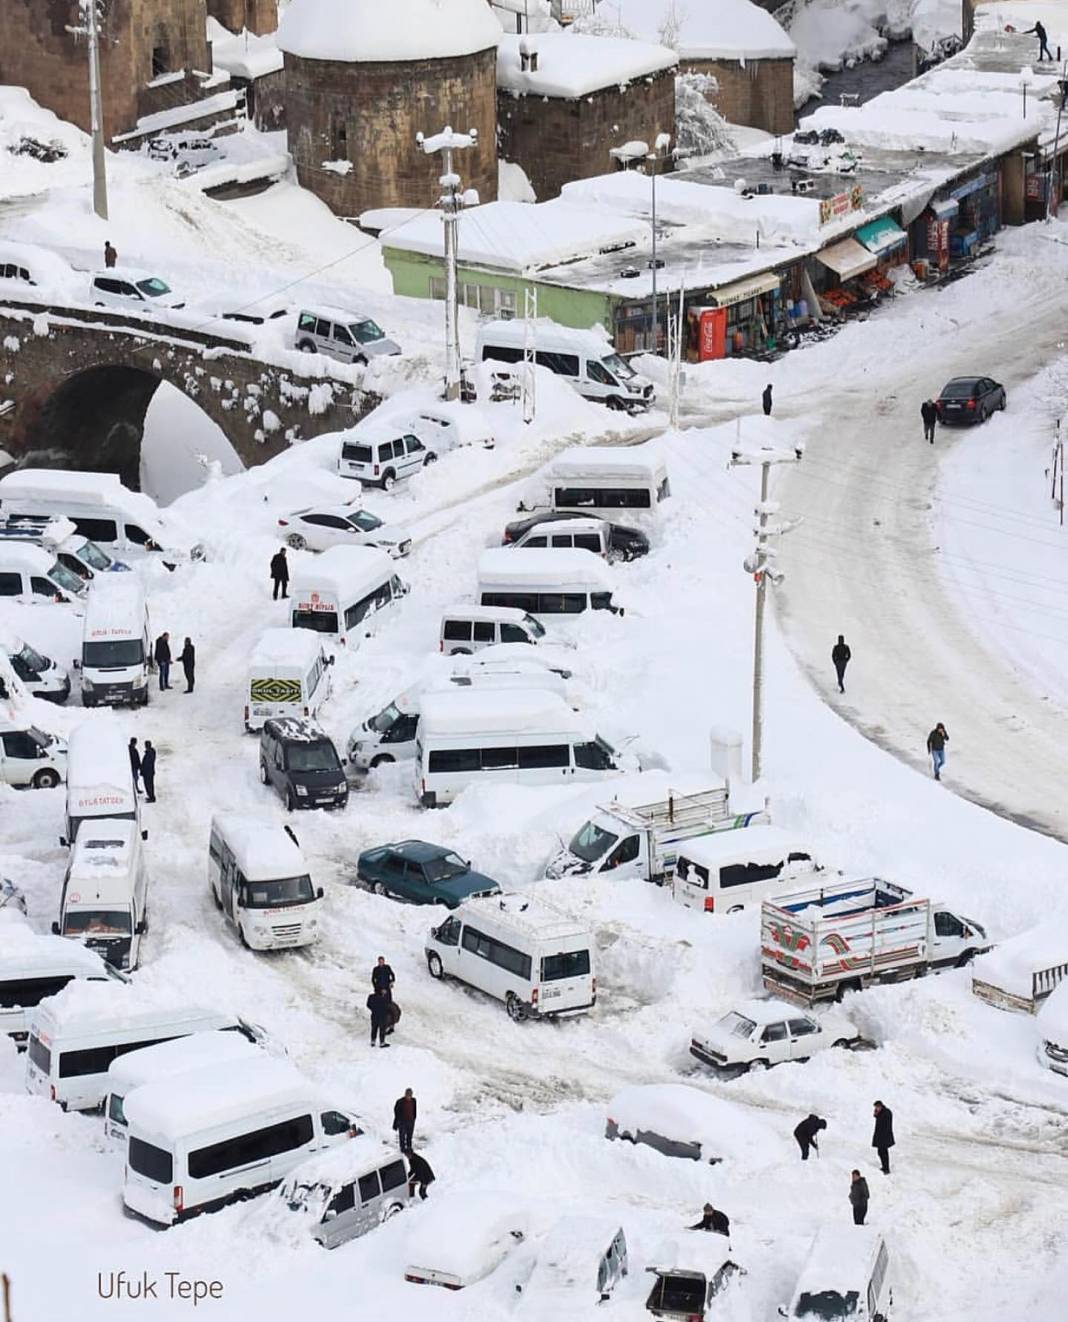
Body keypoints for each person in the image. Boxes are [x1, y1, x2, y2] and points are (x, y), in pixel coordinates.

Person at [872, 1100, 895, 1174]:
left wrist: (877, 1114)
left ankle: (886, 1168)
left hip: (884, 1136)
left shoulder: (886, 1113)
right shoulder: (881, 1112)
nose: (876, 1109)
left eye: (877, 1107)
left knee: (883, 1153)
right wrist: (876, 1114)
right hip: (880, 1136)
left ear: (880, 1106)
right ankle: (884, 1167)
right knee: (880, 1152)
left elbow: (885, 1124)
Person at [393, 1088, 417, 1153]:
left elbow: (414, 1110)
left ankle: (409, 1147)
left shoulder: (414, 1101)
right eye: (407, 1095)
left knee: (409, 1135)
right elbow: (396, 1111)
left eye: (410, 1095)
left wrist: (414, 1118)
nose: (409, 1097)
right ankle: (403, 1149)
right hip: (402, 1122)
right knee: (402, 1136)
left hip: (411, 1121)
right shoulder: (400, 1101)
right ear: (405, 1094)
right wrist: (398, 1121)